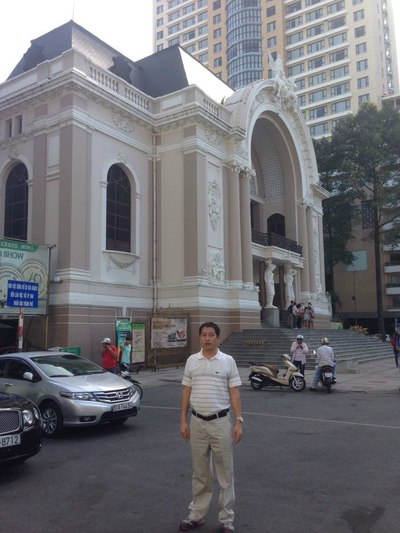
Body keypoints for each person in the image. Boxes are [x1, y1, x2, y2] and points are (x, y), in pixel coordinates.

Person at [179, 322, 243, 533]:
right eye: (204, 335)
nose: (207, 338)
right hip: (197, 422)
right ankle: (196, 515)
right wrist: (183, 420)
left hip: (220, 422)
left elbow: (234, 392)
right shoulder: (192, 361)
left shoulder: (228, 361)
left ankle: (226, 519)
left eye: (211, 335)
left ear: (218, 338)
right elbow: (186, 391)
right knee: (200, 473)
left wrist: (238, 421)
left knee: (225, 472)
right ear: (200, 338)